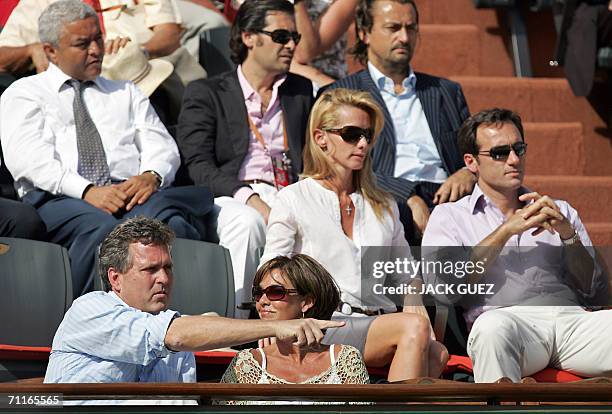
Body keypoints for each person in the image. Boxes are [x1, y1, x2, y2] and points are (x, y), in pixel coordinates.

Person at [0, 0, 212, 297]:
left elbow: (160, 143)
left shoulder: (124, 90)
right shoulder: (26, 93)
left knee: (173, 224)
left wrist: (150, 176)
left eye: (98, 38)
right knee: (102, 231)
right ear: (51, 51)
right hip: (59, 198)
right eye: (82, 43)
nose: (96, 49)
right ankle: (85, 323)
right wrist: (88, 191)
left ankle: (182, 324)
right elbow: (29, 161)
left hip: (130, 194)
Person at [44, 217, 343, 404]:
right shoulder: (91, 310)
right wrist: (276, 327)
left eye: (168, 268)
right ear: (115, 278)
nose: (163, 278)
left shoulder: (178, 330)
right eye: (150, 269)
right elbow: (174, 335)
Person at [261, 88, 448, 382]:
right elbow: (271, 270)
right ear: (321, 138)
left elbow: (403, 271)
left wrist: (413, 292)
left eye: (367, 135)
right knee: (415, 329)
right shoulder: (294, 198)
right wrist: (272, 326)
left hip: (376, 320)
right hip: (321, 323)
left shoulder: (384, 205)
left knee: (438, 353)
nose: (362, 143)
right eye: (351, 134)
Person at [422, 108, 611, 383]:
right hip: (509, 324)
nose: (513, 160)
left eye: (519, 149)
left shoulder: (560, 211)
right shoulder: (450, 216)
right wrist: (505, 231)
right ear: (471, 162)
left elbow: (595, 289)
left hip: (572, 322)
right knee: (491, 330)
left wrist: (567, 235)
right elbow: (445, 289)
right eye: (499, 153)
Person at [177, 0, 314, 318]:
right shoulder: (207, 92)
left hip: (289, 191)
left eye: (295, 37)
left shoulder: (301, 91)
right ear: (249, 37)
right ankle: (232, 328)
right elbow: (197, 165)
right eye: (281, 36)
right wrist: (251, 198)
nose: (291, 44)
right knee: (248, 223)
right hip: (230, 196)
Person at [325, 0, 474, 245]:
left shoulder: (446, 91)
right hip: (381, 198)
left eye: (411, 28)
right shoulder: (342, 94)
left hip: (449, 198)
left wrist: (468, 171)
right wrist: (408, 196)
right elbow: (337, 164)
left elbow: (476, 151)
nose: (404, 37)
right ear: (364, 33)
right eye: (393, 28)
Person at [0, 0, 206, 124]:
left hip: (146, 81)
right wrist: (30, 49)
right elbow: (3, 53)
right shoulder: (38, 4)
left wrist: (136, 51)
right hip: (78, 99)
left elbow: (169, 36)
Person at [219, 254, 368, 404]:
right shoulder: (247, 363)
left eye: (275, 292)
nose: (262, 301)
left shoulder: (345, 359)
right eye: (258, 293)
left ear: (307, 302)